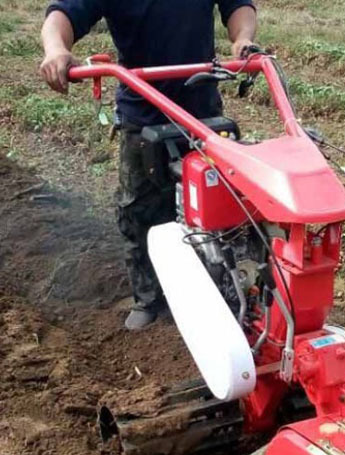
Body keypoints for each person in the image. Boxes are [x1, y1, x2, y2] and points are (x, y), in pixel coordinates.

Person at [40, 0, 257, 330]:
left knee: (220, 206)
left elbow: (237, 5)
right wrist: (56, 49)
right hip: (142, 111)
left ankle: (228, 291)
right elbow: (63, 15)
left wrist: (242, 40)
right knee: (139, 208)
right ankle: (150, 300)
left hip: (202, 107)